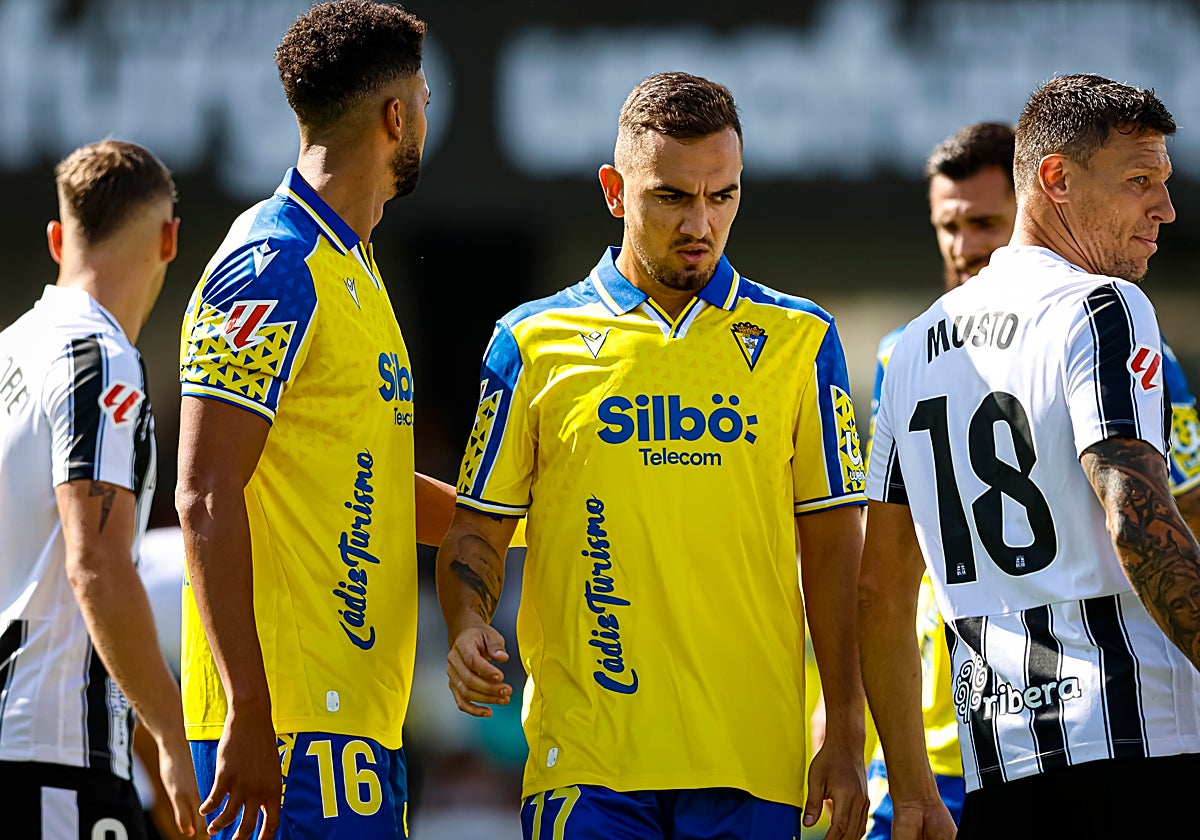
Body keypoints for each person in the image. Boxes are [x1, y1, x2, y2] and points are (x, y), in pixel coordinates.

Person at [437, 71, 870, 840]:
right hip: (587, 760)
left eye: (723, 195)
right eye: (672, 197)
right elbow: (478, 529)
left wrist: (844, 724)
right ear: (615, 190)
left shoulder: (801, 340)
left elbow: (836, 549)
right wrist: (466, 621)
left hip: (750, 760)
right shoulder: (530, 341)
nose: (701, 223)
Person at [860, 73, 1200, 840]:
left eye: (1165, 181)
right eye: (1139, 181)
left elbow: (878, 589)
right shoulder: (1104, 306)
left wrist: (911, 788)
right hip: (1139, 742)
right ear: (1057, 179)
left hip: (998, 767)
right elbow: (1137, 523)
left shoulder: (910, 348)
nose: (1165, 208)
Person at [175, 3, 455, 839]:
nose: (426, 114)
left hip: (355, 722)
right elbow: (204, 490)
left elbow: (367, 481)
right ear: (395, 117)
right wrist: (247, 708)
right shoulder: (272, 262)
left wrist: (523, 521)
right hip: (286, 731)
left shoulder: (353, 265)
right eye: (424, 100)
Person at [0, 140, 199, 838]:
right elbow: (97, 565)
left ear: (58, 239)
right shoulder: (100, 357)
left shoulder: (10, 350)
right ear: (169, 239)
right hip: (55, 759)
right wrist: (173, 737)